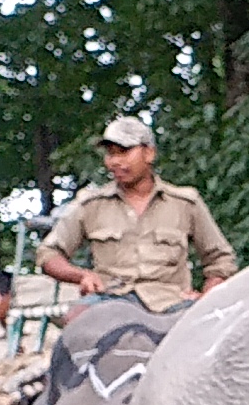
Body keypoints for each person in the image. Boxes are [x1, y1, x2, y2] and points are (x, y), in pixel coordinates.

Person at [35, 118, 238, 313]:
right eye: (110, 154)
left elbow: (221, 260)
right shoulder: (90, 204)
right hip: (108, 301)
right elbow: (48, 254)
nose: (114, 161)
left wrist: (207, 297)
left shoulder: (185, 203)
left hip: (172, 304)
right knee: (77, 325)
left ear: (149, 153)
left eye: (124, 152)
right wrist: (81, 275)